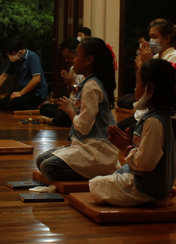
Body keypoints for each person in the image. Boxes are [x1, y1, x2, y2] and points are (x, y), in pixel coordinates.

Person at [89, 59, 176, 207]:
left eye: (137, 84)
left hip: (146, 187)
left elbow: (145, 164)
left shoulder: (154, 121)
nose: (134, 89)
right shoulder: (155, 116)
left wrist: (126, 147)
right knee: (120, 171)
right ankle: (163, 191)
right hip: (152, 180)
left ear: (149, 88)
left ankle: (156, 196)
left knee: (95, 186)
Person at [36, 37, 121, 181]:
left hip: (97, 150)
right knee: (41, 160)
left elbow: (84, 127)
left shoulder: (91, 86)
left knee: (48, 167)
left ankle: (104, 171)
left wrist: (70, 110)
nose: (74, 60)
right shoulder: (90, 83)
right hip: (86, 145)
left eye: (77, 55)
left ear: (89, 60)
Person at [0, 37, 49, 111]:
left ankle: (39, 105)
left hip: (36, 93)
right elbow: (3, 76)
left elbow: (36, 79)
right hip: (24, 91)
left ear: (20, 51)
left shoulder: (32, 57)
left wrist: (20, 93)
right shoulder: (14, 60)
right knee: (1, 104)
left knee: (11, 105)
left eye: (11, 54)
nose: (10, 56)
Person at [39, 37, 84, 126]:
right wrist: (69, 86)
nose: (66, 60)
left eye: (68, 57)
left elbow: (82, 96)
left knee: (65, 114)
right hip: (70, 105)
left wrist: (73, 84)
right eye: (65, 57)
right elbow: (69, 94)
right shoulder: (72, 69)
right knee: (44, 108)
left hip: (79, 107)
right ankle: (62, 118)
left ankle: (53, 120)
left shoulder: (85, 71)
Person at [116, 29, 149, 110]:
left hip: (147, 92)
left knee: (128, 103)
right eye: (139, 43)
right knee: (120, 101)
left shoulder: (151, 57)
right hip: (139, 89)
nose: (140, 46)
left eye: (142, 42)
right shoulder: (140, 57)